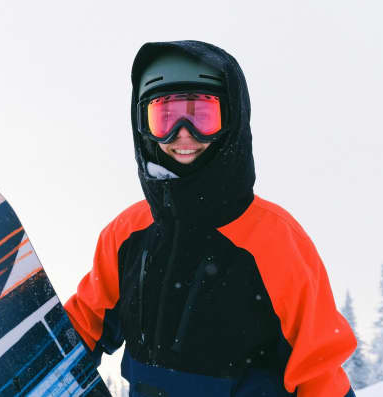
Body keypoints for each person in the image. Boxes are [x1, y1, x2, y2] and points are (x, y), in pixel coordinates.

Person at [64, 40, 357, 397]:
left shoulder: (276, 240)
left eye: (202, 115)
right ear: (143, 125)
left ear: (230, 119)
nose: (183, 134)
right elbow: (87, 322)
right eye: (165, 117)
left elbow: (319, 373)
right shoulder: (128, 233)